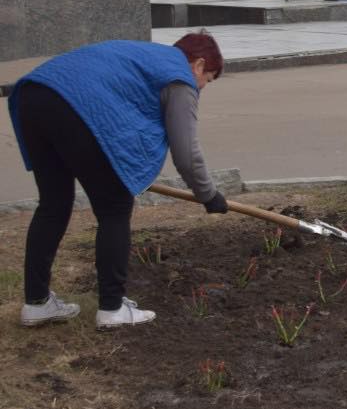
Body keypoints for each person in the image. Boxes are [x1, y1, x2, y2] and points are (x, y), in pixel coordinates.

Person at [9, 31, 229, 330]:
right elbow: (186, 154)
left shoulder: (146, 57)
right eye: (209, 79)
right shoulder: (179, 78)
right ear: (199, 65)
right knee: (114, 207)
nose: (203, 87)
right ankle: (112, 309)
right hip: (75, 104)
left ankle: (36, 303)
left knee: (53, 204)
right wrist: (208, 195)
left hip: (34, 95)